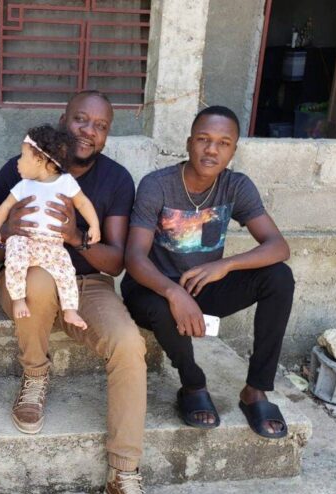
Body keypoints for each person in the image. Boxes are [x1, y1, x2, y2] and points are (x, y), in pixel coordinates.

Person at [0, 91, 161, 494]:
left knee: (128, 344)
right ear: (63, 119)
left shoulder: (116, 180)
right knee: (39, 281)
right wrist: (8, 232)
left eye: (100, 126)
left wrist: (74, 236)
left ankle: (123, 475)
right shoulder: (19, 168)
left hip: (88, 285)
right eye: (81, 120)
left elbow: (115, 262)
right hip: (26, 279)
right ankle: (35, 373)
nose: (89, 131)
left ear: (106, 135)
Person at [122, 105, 294, 439]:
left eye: (223, 143)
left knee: (279, 277)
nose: (212, 149)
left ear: (233, 150)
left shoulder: (236, 186)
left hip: (202, 285)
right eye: (203, 139)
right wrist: (173, 292)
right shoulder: (157, 185)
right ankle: (193, 385)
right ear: (189, 143)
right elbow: (134, 257)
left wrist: (225, 264)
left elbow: (278, 246)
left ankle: (255, 390)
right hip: (152, 289)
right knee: (162, 306)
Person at [0, 125, 101, 329]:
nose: (17, 162)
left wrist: (94, 225)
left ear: (40, 160)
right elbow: (5, 207)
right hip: (25, 240)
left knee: (66, 270)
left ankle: (70, 309)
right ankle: (18, 299)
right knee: (14, 260)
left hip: (53, 245)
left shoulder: (66, 182)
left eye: (23, 156)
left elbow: (83, 203)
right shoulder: (23, 185)